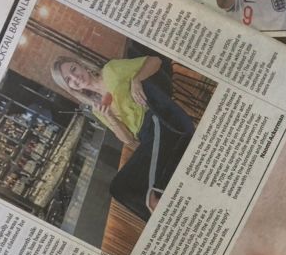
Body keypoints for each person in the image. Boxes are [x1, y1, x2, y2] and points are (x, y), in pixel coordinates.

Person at [51, 54, 195, 221]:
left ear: (80, 64)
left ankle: (172, 216)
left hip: (158, 120)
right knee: (119, 189)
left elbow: (156, 61)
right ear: (70, 88)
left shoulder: (111, 70)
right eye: (68, 80)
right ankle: (166, 220)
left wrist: (136, 80)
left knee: (149, 191)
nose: (75, 77)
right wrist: (111, 118)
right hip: (146, 138)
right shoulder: (97, 109)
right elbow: (129, 140)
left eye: (73, 69)